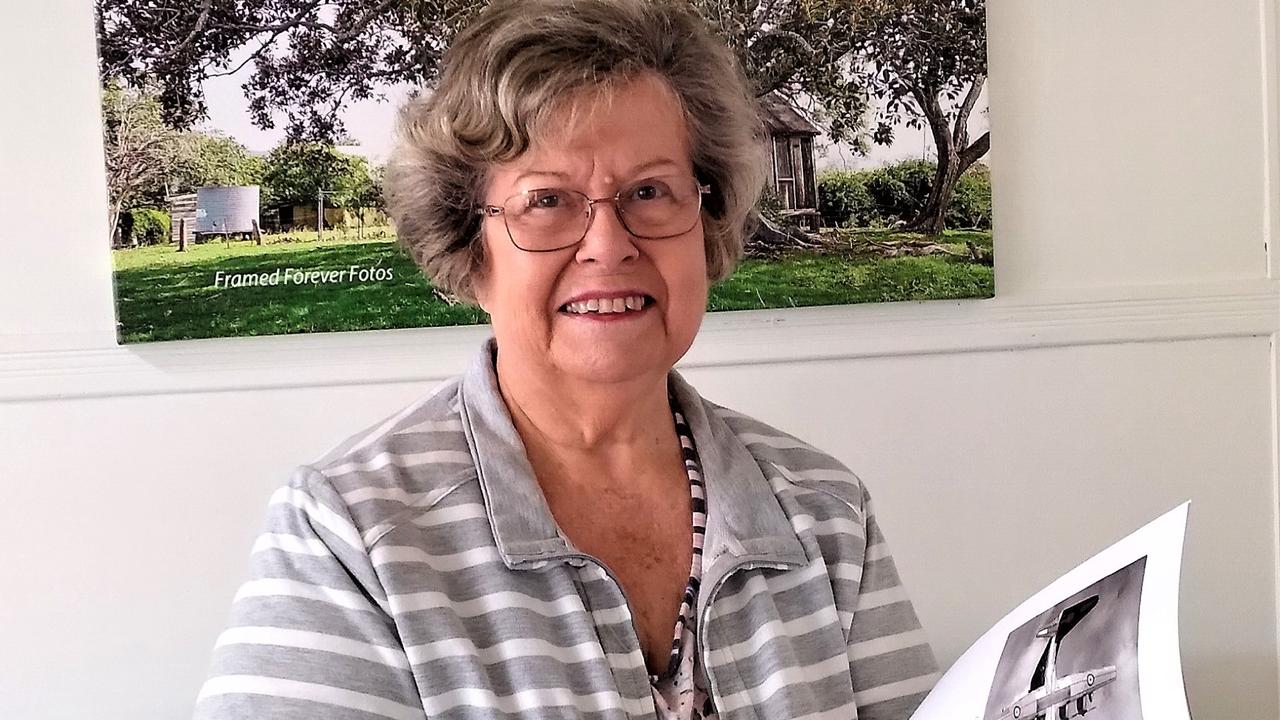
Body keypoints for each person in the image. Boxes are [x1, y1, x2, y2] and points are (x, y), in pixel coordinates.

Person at [193, 1, 939, 718]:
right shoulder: (351, 533)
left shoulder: (825, 509)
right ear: (470, 250)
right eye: (546, 201)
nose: (609, 245)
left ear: (706, 227)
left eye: (650, 191)